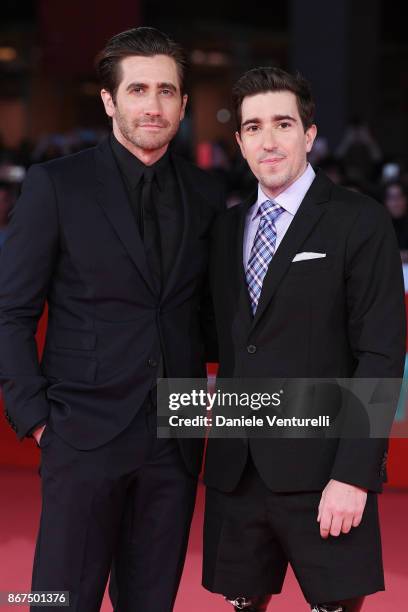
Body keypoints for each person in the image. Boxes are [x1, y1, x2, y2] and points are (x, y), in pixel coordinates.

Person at [0, 27, 222, 612]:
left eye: (167, 91)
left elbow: (207, 313)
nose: (153, 105)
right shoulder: (56, 186)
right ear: (109, 101)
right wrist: (38, 419)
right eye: (139, 89)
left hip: (174, 439)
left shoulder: (206, 193)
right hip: (81, 435)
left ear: (184, 104)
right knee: (57, 599)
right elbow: (11, 310)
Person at [202, 67, 406, 611]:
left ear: (309, 135)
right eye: (253, 127)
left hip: (324, 476)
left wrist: (353, 475)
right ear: (240, 141)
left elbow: (381, 353)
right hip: (237, 474)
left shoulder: (358, 221)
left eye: (283, 124)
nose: (268, 140)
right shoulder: (225, 232)